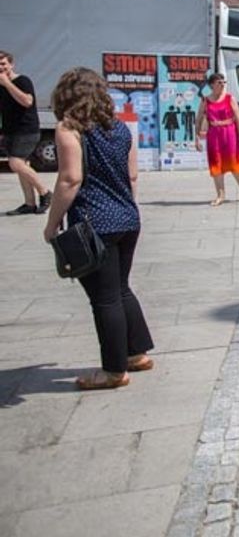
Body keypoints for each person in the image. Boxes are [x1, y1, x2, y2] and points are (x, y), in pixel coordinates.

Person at [42, 67, 153, 390]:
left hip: (95, 223)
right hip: (127, 218)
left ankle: (114, 371)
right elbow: (132, 176)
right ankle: (136, 353)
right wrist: (124, 208)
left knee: (104, 299)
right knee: (120, 288)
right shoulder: (118, 128)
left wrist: (51, 224)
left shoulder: (69, 129)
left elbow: (70, 179)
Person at [0, 50, 51, 215]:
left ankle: (45, 192)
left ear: (11, 64)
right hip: (10, 131)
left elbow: (27, 101)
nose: (1, 68)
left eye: (3, 64)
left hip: (26, 129)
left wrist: (8, 84)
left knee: (15, 163)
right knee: (22, 166)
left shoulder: (22, 81)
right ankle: (29, 204)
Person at [194, 72, 239, 206]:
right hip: (214, 134)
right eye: (219, 82)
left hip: (230, 133)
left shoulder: (230, 98)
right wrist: (196, 137)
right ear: (212, 85)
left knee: (234, 163)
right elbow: (199, 118)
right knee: (216, 164)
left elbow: (238, 119)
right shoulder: (205, 101)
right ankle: (220, 195)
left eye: (224, 82)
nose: (222, 85)